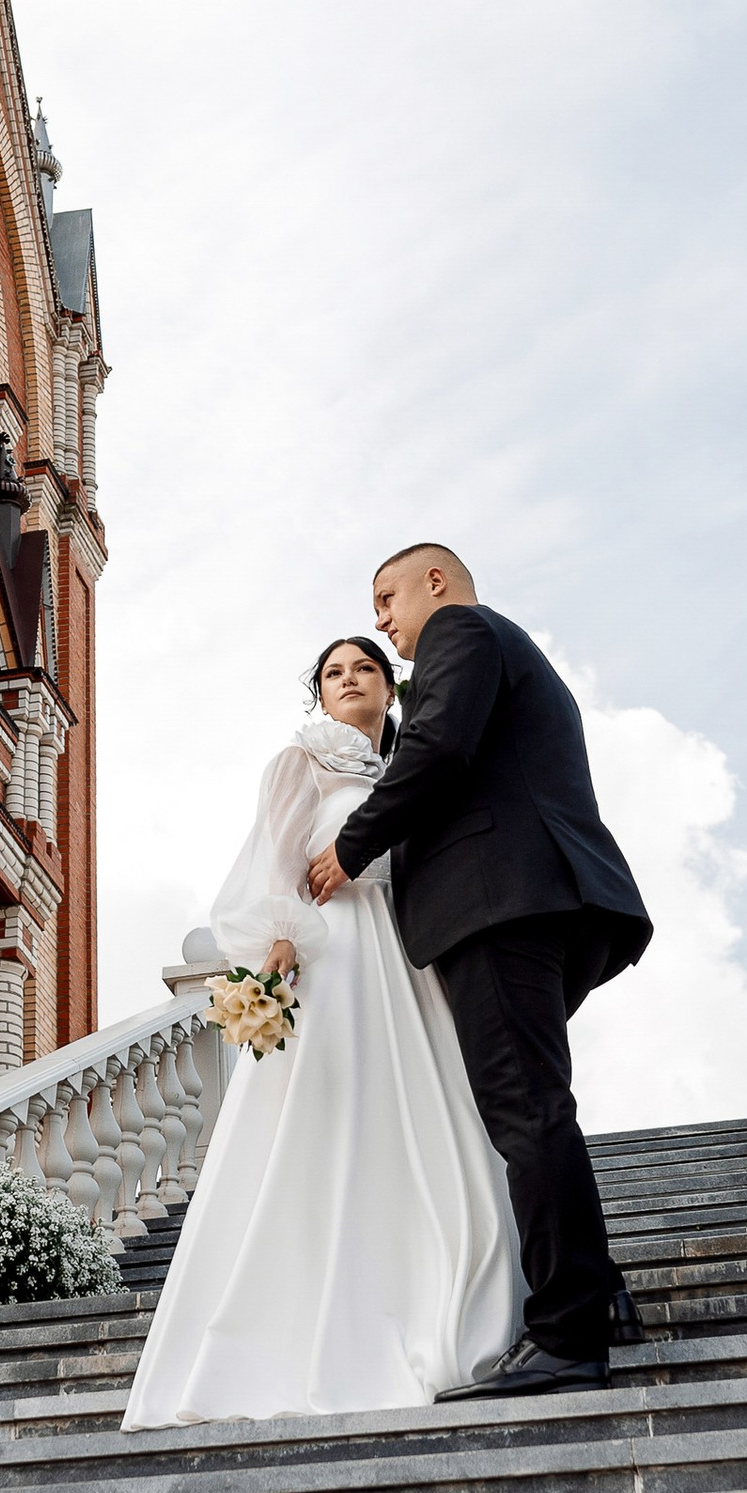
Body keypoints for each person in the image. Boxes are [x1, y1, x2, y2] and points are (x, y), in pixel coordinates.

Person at [122, 633, 524, 1429]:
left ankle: (437, 1299)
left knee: (427, 1121)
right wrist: (279, 950)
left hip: (409, 963)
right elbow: (277, 863)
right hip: (334, 958)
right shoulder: (302, 760)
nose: (349, 681)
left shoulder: (415, 766)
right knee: (331, 1121)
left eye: (364, 668)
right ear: (320, 693)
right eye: (333, 673)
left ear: (390, 686)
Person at [307, 542, 650, 1392]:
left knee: (525, 1112)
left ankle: (567, 1332)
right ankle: (596, 1294)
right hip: (529, 902)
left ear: (436, 583)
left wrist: (350, 847)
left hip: (500, 906)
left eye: (387, 597)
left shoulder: (462, 631)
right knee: (533, 1104)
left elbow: (439, 754)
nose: (382, 619)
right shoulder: (495, 646)